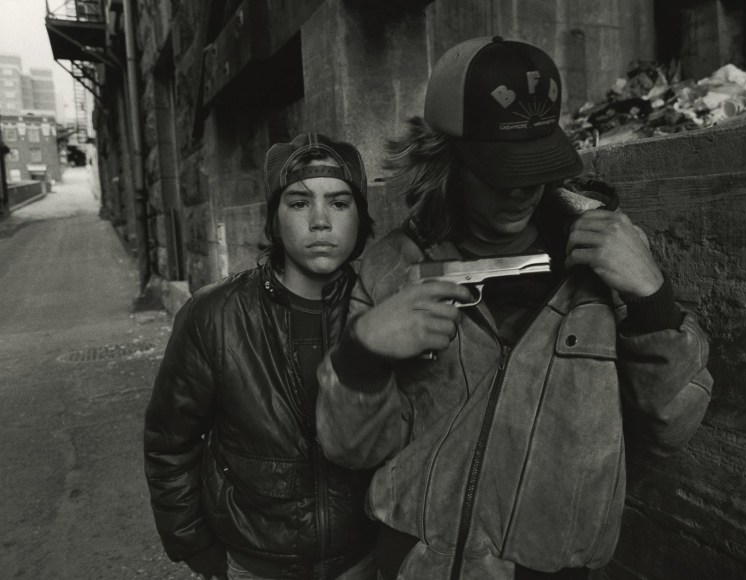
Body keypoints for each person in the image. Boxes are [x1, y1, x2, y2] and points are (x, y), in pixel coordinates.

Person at [315, 36, 713, 579]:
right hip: (417, 564)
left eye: (538, 162)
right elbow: (353, 452)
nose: (523, 189)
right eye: (501, 168)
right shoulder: (392, 268)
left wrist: (652, 302)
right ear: (445, 158)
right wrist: (361, 354)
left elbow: (668, 434)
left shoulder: (611, 261)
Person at [144, 133, 378, 580]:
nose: (320, 221)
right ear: (274, 218)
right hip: (257, 563)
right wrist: (196, 546)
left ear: (360, 217)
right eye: (298, 203)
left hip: (365, 561)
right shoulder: (214, 315)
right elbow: (169, 443)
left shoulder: (383, 305)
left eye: (340, 203)